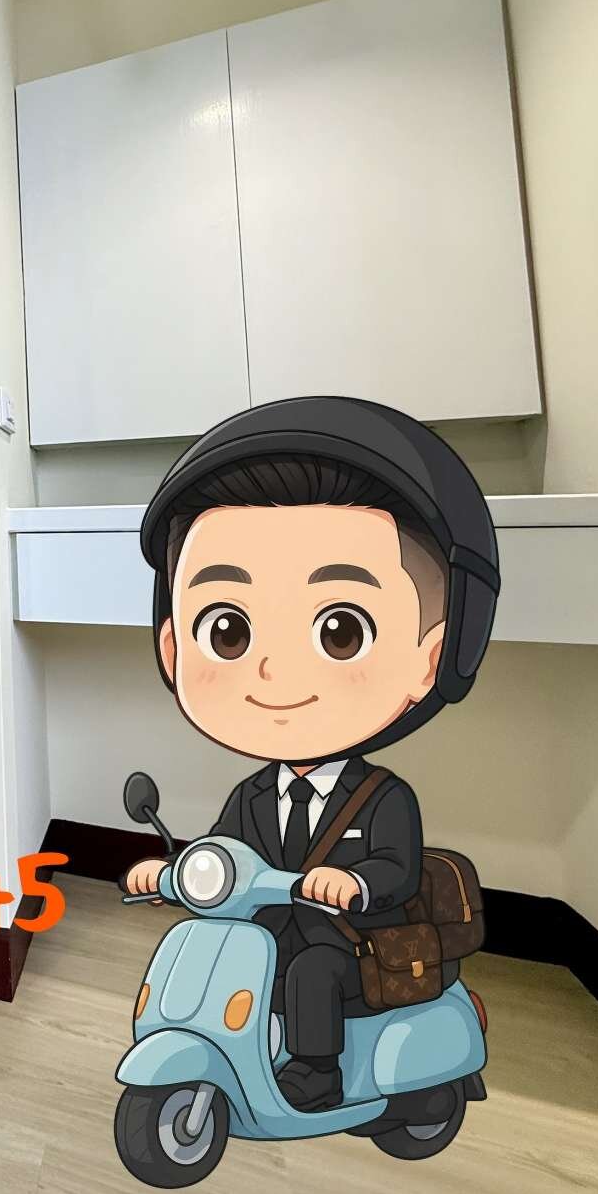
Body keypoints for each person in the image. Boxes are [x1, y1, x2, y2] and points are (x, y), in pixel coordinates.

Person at [121, 396, 499, 1112]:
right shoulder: (254, 796)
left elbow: (395, 869)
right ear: (172, 645)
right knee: (244, 963)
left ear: (434, 656)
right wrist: (172, 871)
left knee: (311, 972)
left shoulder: (384, 797)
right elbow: (226, 852)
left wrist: (350, 883)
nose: (273, 672)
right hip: (268, 933)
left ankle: (316, 1074)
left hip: (351, 939)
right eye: (228, 631)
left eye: (341, 631)